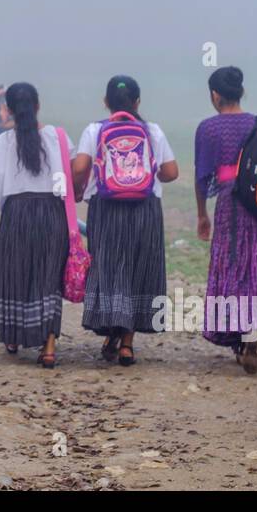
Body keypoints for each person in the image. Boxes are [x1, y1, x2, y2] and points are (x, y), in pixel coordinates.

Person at [71, 76, 178, 366]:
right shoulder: (151, 131)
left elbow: (80, 167)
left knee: (109, 268)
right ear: (137, 102)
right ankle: (127, 343)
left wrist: (78, 187)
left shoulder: (95, 130)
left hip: (106, 208)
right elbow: (171, 172)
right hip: (145, 209)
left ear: (105, 102)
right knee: (138, 269)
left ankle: (111, 331)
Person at [193, 66, 257, 373]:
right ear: (240, 92)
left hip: (231, 206)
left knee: (235, 267)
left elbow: (202, 176)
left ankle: (243, 333)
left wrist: (201, 214)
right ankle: (251, 337)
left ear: (215, 95)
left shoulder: (208, 128)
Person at [0, 82, 68, 367]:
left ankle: (13, 336)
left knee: (13, 272)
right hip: (52, 212)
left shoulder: (1, 142)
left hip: (16, 215)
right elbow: (74, 171)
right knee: (48, 276)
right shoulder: (58, 137)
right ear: (38, 106)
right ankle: (48, 346)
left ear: (8, 110)